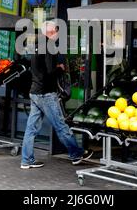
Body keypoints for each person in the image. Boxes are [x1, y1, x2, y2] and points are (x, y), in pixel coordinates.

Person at [21, 21, 93, 169]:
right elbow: (49, 72)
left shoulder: (36, 44)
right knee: (61, 125)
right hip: (46, 93)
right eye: (57, 30)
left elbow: (36, 68)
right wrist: (60, 68)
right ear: (51, 32)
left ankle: (26, 160)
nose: (58, 33)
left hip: (35, 92)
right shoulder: (49, 46)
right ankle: (76, 153)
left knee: (31, 129)